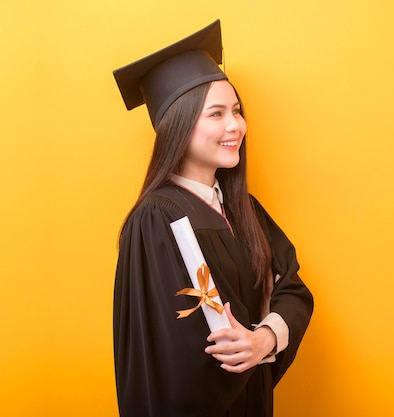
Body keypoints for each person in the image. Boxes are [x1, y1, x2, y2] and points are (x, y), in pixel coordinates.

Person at [112, 20, 314, 417]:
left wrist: (265, 338)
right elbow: (173, 350)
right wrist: (244, 350)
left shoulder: (244, 209)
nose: (235, 126)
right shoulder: (157, 219)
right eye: (216, 114)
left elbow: (292, 287)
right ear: (179, 126)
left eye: (237, 111)